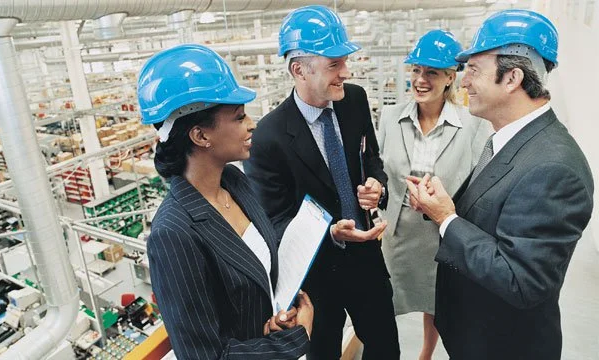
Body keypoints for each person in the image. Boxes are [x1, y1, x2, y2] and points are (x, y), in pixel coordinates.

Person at [406, 10, 594, 360]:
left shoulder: (554, 168)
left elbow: (521, 280)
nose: (463, 82)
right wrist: (444, 208)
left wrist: (447, 219)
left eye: (474, 70)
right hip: (475, 335)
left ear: (512, 78)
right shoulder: (508, 140)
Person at [139, 44, 314, 360]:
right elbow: (205, 355)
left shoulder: (235, 181)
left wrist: (272, 321)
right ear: (200, 136)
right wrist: (293, 341)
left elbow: (251, 288)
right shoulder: (174, 234)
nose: (251, 125)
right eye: (238, 117)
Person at [244, 6, 399, 360]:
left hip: (366, 260)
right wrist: (330, 233)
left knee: (386, 348)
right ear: (299, 69)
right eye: (334, 64)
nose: (346, 72)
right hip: (317, 279)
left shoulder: (355, 100)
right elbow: (275, 223)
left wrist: (377, 183)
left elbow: (370, 157)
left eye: (344, 62)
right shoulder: (268, 137)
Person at [376, 29, 491, 360]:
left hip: (441, 233)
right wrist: (376, 190)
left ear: (450, 78)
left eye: (432, 72)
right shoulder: (389, 117)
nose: (420, 80)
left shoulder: (472, 124)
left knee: (437, 300)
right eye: (416, 71)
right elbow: (379, 172)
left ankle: (425, 353)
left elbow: (477, 181)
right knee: (388, 298)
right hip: (399, 232)